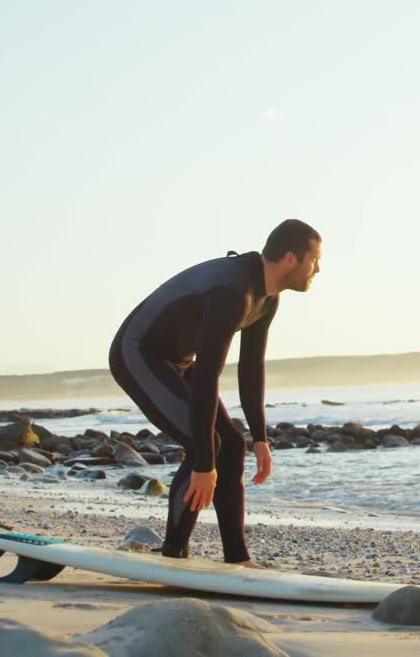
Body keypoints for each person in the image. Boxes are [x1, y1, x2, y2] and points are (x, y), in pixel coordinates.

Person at [107, 219, 321, 567]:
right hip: (138, 352)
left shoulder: (267, 298)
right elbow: (208, 375)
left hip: (177, 359)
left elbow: (251, 368)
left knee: (232, 444)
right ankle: (174, 555)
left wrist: (260, 437)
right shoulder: (232, 293)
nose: (318, 269)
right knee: (203, 443)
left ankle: (236, 557)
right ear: (290, 259)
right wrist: (205, 463)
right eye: (314, 260)